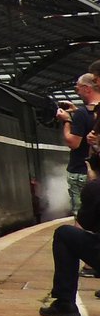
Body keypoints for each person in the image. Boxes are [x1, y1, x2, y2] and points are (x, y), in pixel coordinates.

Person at [40, 165, 100, 316]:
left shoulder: (95, 187)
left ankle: (65, 303)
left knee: (64, 234)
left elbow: (85, 224)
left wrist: (91, 185)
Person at [56, 73, 99, 216]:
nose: (77, 92)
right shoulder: (92, 111)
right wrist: (77, 111)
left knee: (82, 214)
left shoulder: (82, 113)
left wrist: (67, 120)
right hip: (97, 169)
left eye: (77, 88)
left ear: (87, 88)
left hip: (81, 170)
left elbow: (73, 143)